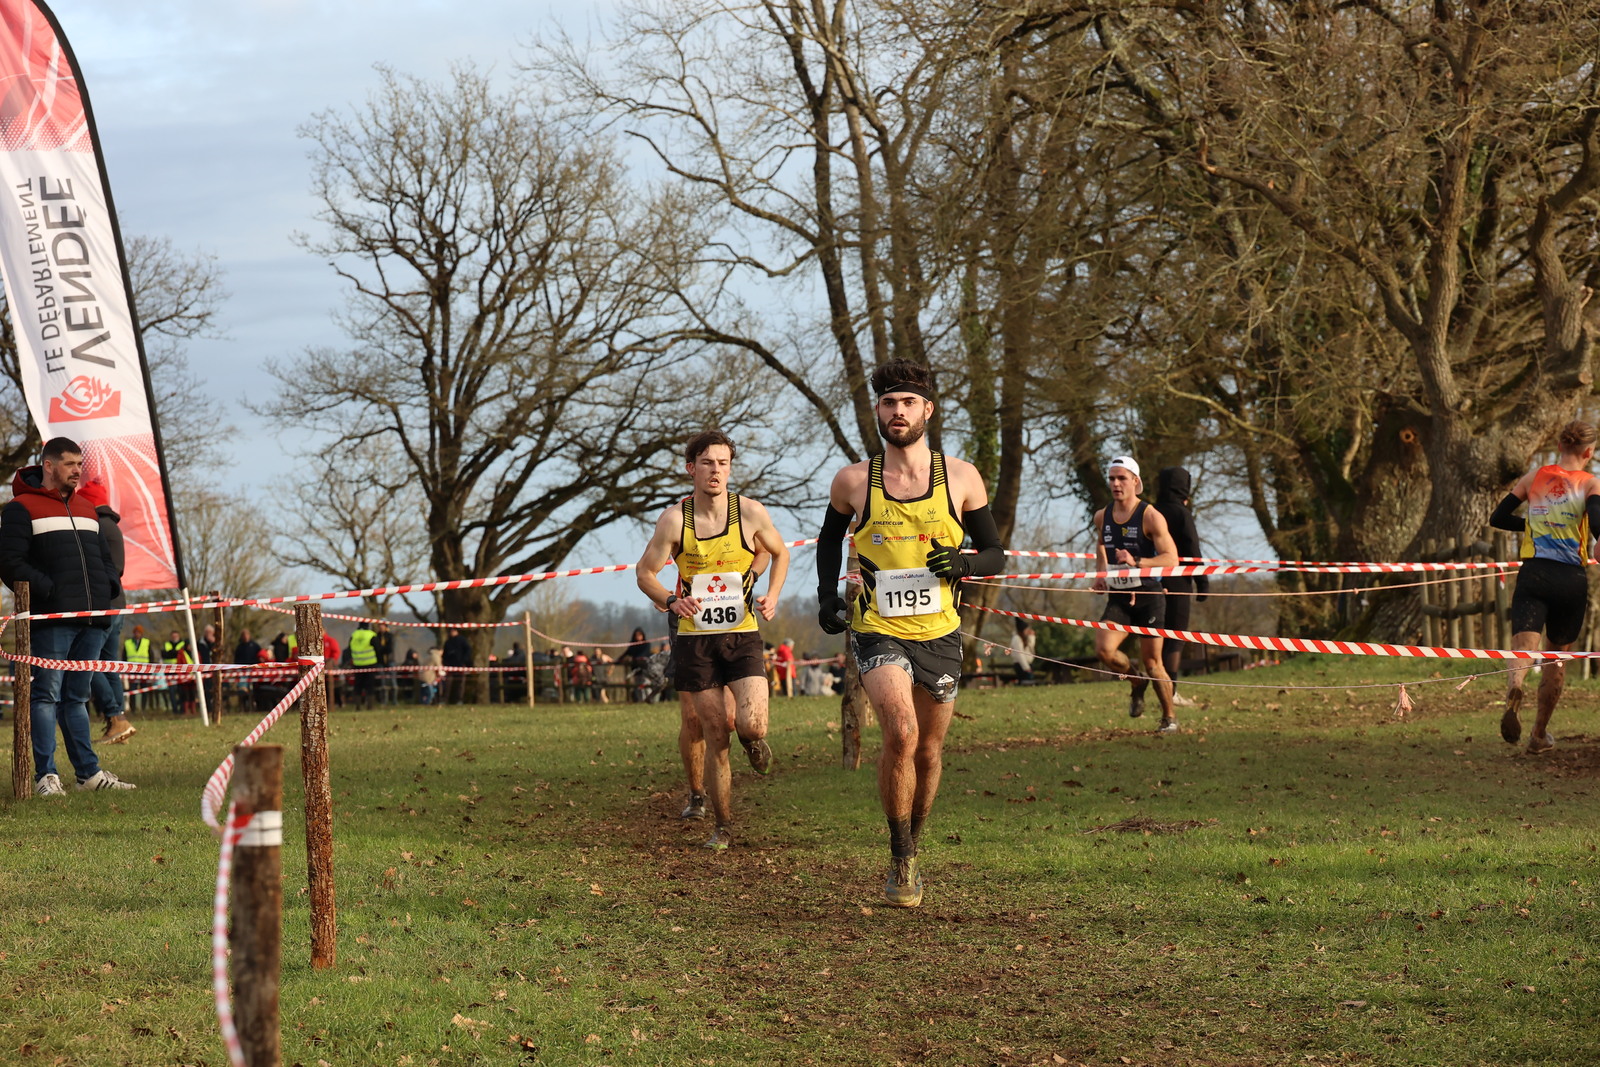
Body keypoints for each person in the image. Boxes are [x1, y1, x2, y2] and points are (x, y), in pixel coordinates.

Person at [815, 359, 1006, 907]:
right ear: (878, 410)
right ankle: (900, 858)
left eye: (907, 403)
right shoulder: (854, 481)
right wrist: (827, 595)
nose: (897, 412)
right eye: (888, 403)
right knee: (900, 732)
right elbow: (828, 541)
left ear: (928, 409)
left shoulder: (962, 477)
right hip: (879, 629)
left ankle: (914, 841)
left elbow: (995, 553)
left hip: (941, 632)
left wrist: (964, 564)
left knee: (928, 750)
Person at [637, 429, 790, 851]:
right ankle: (722, 825)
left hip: (742, 635)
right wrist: (671, 600)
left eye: (723, 463)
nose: (716, 470)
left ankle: (753, 742)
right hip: (696, 639)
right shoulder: (674, 521)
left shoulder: (751, 512)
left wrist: (772, 594)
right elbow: (644, 573)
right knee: (715, 733)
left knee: (751, 725)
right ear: (692, 469)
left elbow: (779, 552)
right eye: (707, 463)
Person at [0, 437, 135, 794]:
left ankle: (88, 775)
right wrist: (51, 591)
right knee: (46, 695)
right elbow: (10, 563)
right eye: (70, 463)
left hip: (94, 620)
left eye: (80, 464)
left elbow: (105, 561)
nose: (78, 470)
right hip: (52, 620)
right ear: (49, 465)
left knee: (77, 698)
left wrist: (107, 588)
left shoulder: (88, 508)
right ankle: (46, 777)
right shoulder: (20, 508)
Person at [1489, 420, 1600, 754]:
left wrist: (1534, 525)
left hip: (1534, 573)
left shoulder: (1534, 477)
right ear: (1589, 452)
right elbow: (1596, 518)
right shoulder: (1590, 483)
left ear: (1560, 445)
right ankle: (1538, 734)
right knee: (1556, 657)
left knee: (1524, 644)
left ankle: (1516, 685)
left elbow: (1498, 518)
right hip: (1570, 579)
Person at [1091, 456, 1181, 734]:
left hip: (1149, 597)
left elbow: (1172, 558)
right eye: (1112, 478)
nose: (1116, 484)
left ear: (1135, 481)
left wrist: (1137, 562)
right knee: (1104, 650)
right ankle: (1136, 681)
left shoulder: (1150, 515)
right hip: (1119, 596)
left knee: (1153, 663)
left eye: (1122, 478)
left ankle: (1169, 717)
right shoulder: (1102, 516)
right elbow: (1101, 544)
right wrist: (1100, 574)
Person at [76, 478, 135, 744]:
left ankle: (115, 716)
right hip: (116, 603)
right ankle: (119, 723)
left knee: (87, 661)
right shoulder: (112, 526)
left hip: (103, 604)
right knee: (109, 665)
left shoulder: (97, 526)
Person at [1153, 466, 1209, 708]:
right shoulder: (1181, 513)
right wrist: (1202, 583)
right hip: (1178, 582)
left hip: (1151, 581)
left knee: (1156, 638)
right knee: (1175, 637)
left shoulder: (1150, 512)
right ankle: (1171, 692)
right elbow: (1192, 548)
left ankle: (1160, 690)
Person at [122, 623, 154, 715]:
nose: (137, 634)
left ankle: (143, 708)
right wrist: (125, 669)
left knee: (144, 690)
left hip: (144, 670)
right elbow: (124, 657)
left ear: (141, 633)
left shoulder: (146, 642)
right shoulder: (127, 643)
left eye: (139, 632)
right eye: (136, 632)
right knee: (132, 690)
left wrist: (150, 670)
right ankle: (133, 710)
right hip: (132, 670)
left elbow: (151, 656)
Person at [349, 619, 379, 710]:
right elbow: (378, 649)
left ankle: (357, 706)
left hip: (357, 664)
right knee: (370, 685)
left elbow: (349, 648)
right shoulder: (371, 634)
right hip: (370, 664)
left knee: (358, 685)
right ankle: (370, 706)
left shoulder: (354, 634)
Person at [442, 627, 472, 704]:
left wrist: (464, 660)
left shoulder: (462, 640)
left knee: (460, 683)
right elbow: (445, 654)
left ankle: (459, 699)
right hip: (450, 666)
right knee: (448, 683)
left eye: (453, 631)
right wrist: (445, 663)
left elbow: (468, 650)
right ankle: (445, 700)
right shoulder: (448, 642)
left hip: (460, 665)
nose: (451, 632)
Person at [1007, 617, 1036, 685]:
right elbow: (1020, 654)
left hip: (1028, 664)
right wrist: (1026, 668)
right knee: (1024, 683)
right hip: (1021, 665)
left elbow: (1031, 648)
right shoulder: (1016, 639)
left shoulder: (1025, 638)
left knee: (1030, 683)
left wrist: (1032, 637)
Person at [374, 621, 396, 705]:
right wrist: (382, 649)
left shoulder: (390, 636)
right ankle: (384, 701)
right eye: (379, 625)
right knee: (382, 683)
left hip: (390, 661)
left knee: (393, 681)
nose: (381, 627)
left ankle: (394, 701)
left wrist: (381, 649)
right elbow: (377, 649)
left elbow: (389, 648)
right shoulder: (376, 636)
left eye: (382, 625)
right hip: (380, 662)